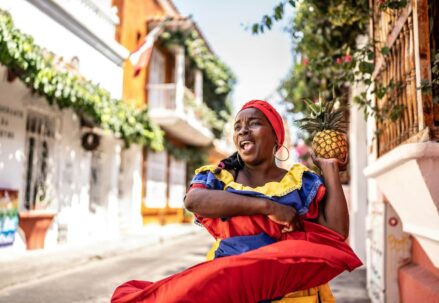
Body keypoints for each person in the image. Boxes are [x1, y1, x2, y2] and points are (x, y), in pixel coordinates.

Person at [111, 100, 362, 303]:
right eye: (238, 125)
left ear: (276, 138)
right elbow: (194, 200)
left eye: (254, 123)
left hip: (295, 294)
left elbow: (336, 233)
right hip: (230, 290)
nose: (243, 130)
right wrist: (268, 207)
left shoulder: (301, 182)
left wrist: (330, 169)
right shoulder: (219, 176)